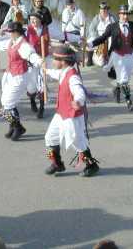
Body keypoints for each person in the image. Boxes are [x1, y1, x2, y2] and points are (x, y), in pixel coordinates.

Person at [44, 45, 99, 177]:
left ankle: (92, 165)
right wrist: (46, 70)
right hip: (61, 113)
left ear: (62, 61)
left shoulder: (73, 76)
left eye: (54, 59)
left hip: (71, 116)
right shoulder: (64, 72)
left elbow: (79, 91)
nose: (52, 61)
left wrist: (78, 101)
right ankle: (57, 163)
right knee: (50, 137)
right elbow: (56, 73)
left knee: (77, 142)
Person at [89, 4, 133, 112]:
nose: (125, 16)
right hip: (117, 55)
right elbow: (103, 37)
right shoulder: (112, 26)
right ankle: (129, 102)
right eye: (123, 14)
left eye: (126, 14)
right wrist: (91, 44)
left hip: (129, 55)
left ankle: (117, 89)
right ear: (119, 14)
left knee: (126, 80)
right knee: (124, 79)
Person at [0, 22, 43, 141]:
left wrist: (41, 62)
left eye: (10, 32)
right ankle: (13, 125)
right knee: (5, 102)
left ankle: (18, 127)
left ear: (16, 32)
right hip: (11, 74)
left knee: (8, 102)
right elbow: (0, 45)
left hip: (20, 76)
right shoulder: (12, 41)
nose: (8, 34)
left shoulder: (23, 44)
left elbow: (31, 55)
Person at [26, 12, 50, 119]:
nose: (34, 22)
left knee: (42, 82)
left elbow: (63, 35)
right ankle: (32, 101)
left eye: (35, 20)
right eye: (31, 20)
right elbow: (15, 36)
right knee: (31, 84)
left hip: (44, 60)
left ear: (40, 20)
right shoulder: (27, 30)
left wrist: (76, 38)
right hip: (31, 60)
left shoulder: (47, 29)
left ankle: (42, 108)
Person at [87, 1, 117, 67]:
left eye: (105, 9)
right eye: (101, 9)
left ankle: (109, 58)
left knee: (113, 42)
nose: (103, 11)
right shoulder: (96, 18)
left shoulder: (112, 18)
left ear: (108, 9)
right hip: (98, 36)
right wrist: (98, 37)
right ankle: (89, 60)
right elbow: (91, 29)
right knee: (89, 41)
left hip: (109, 36)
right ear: (100, 10)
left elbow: (116, 29)